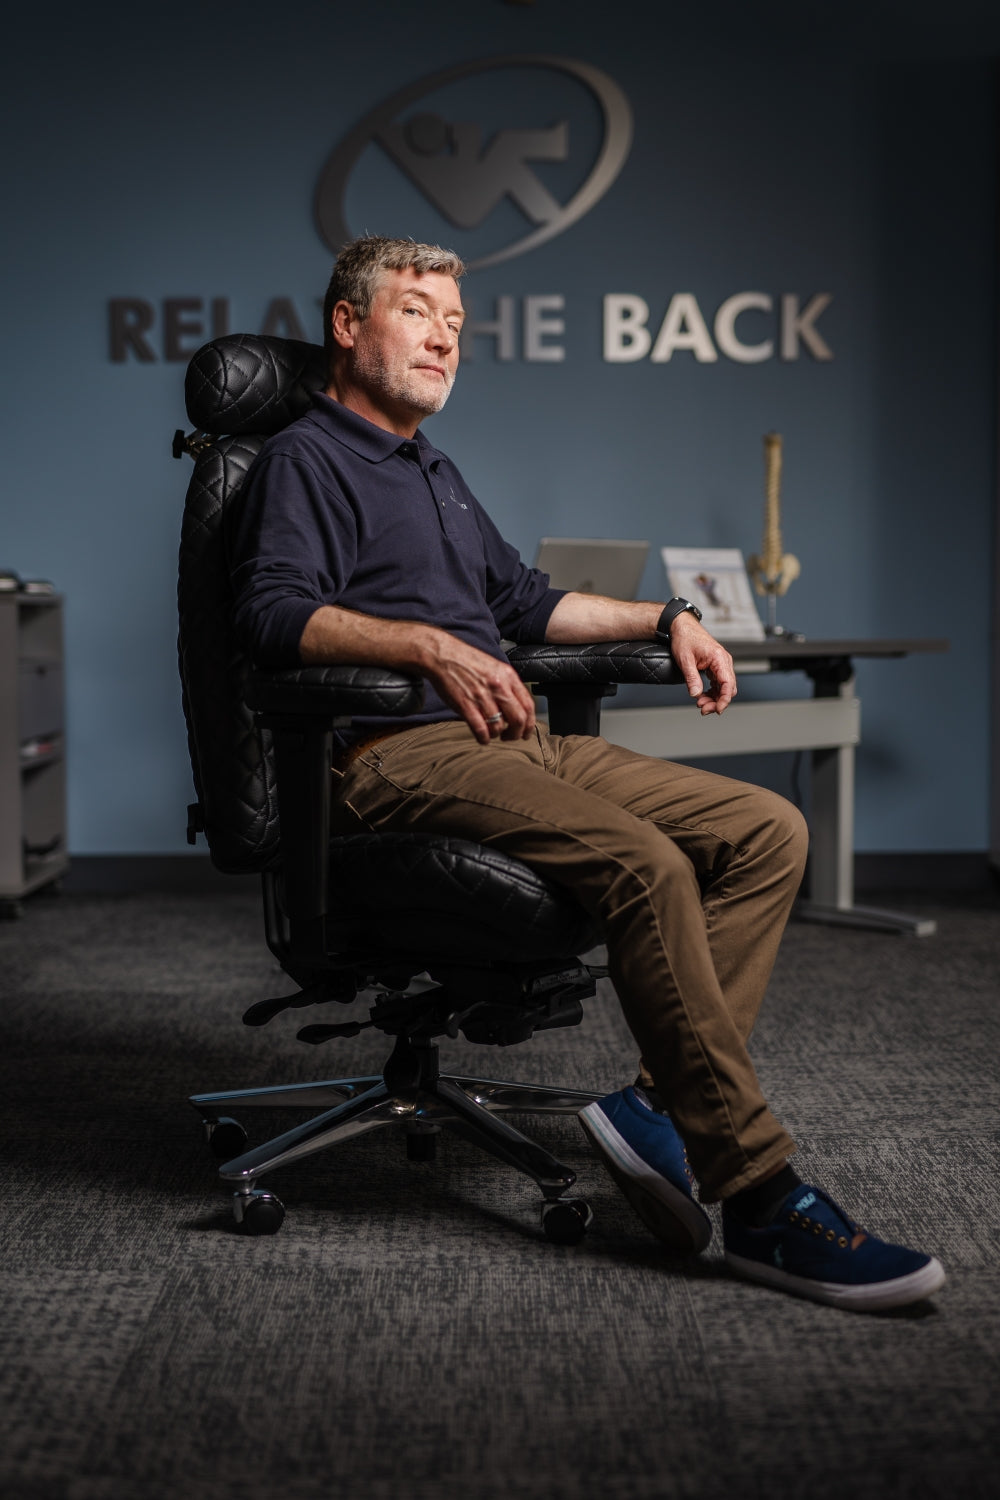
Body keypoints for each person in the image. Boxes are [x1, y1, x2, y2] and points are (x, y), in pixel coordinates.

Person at [229, 235, 944, 1312]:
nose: (443, 339)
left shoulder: (435, 470)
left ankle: (657, 1110)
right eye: (418, 312)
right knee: (646, 865)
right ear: (346, 325)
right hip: (392, 754)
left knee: (765, 832)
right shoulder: (304, 457)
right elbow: (269, 613)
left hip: (514, 744)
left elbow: (526, 604)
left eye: (456, 325)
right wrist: (426, 646)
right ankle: (759, 1199)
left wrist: (669, 618)